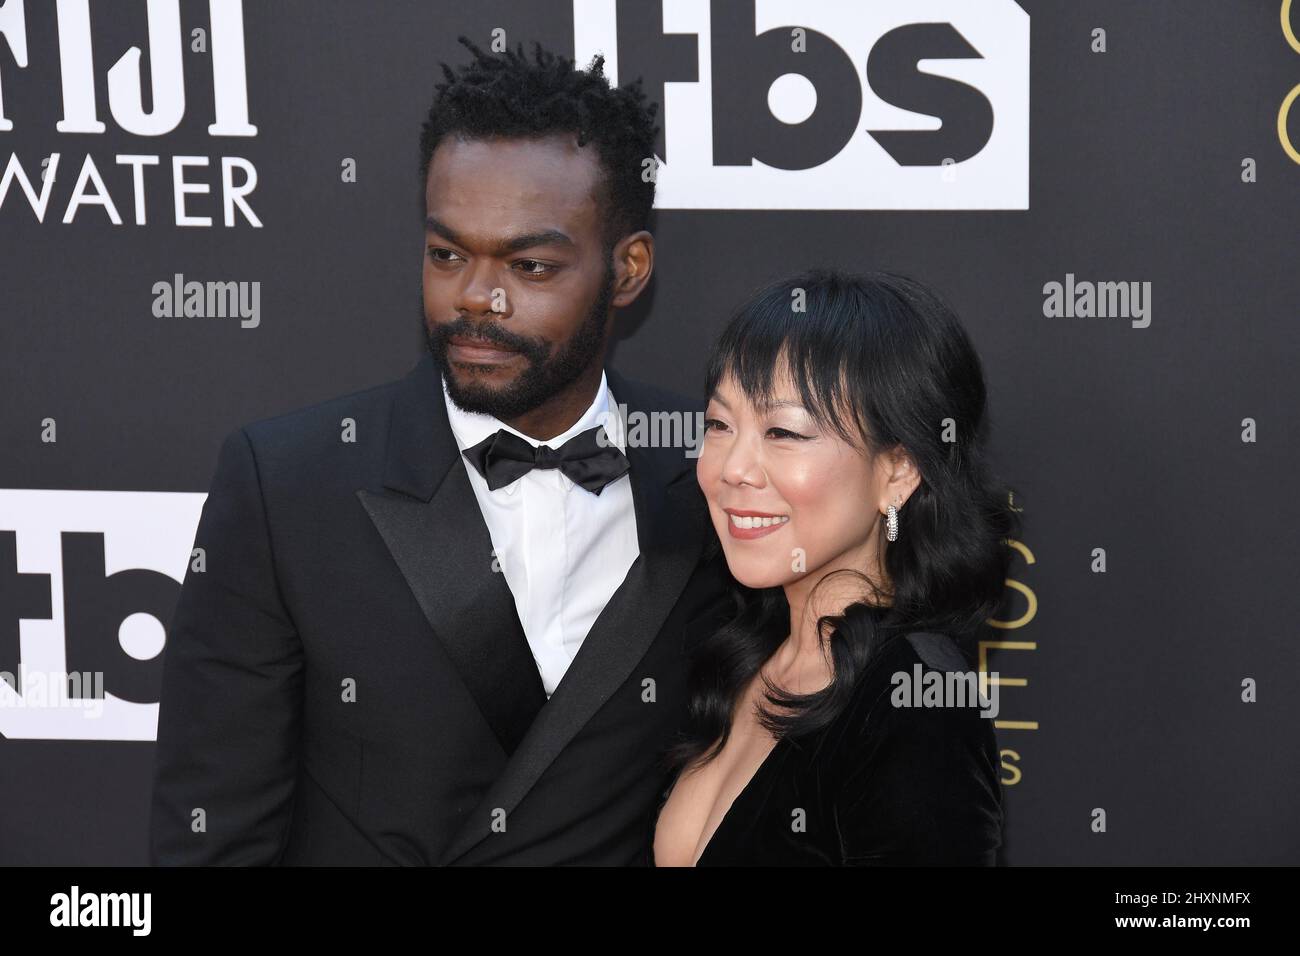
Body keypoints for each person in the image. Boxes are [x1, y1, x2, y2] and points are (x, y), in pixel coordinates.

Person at [149, 38, 732, 866]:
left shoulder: (716, 477)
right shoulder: (287, 486)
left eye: (530, 265)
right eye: (447, 254)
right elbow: (212, 832)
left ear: (628, 268)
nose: (475, 299)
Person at [651, 269, 1018, 866]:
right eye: (720, 425)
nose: (734, 468)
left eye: (784, 431)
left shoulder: (914, 702)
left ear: (898, 471)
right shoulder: (742, 647)